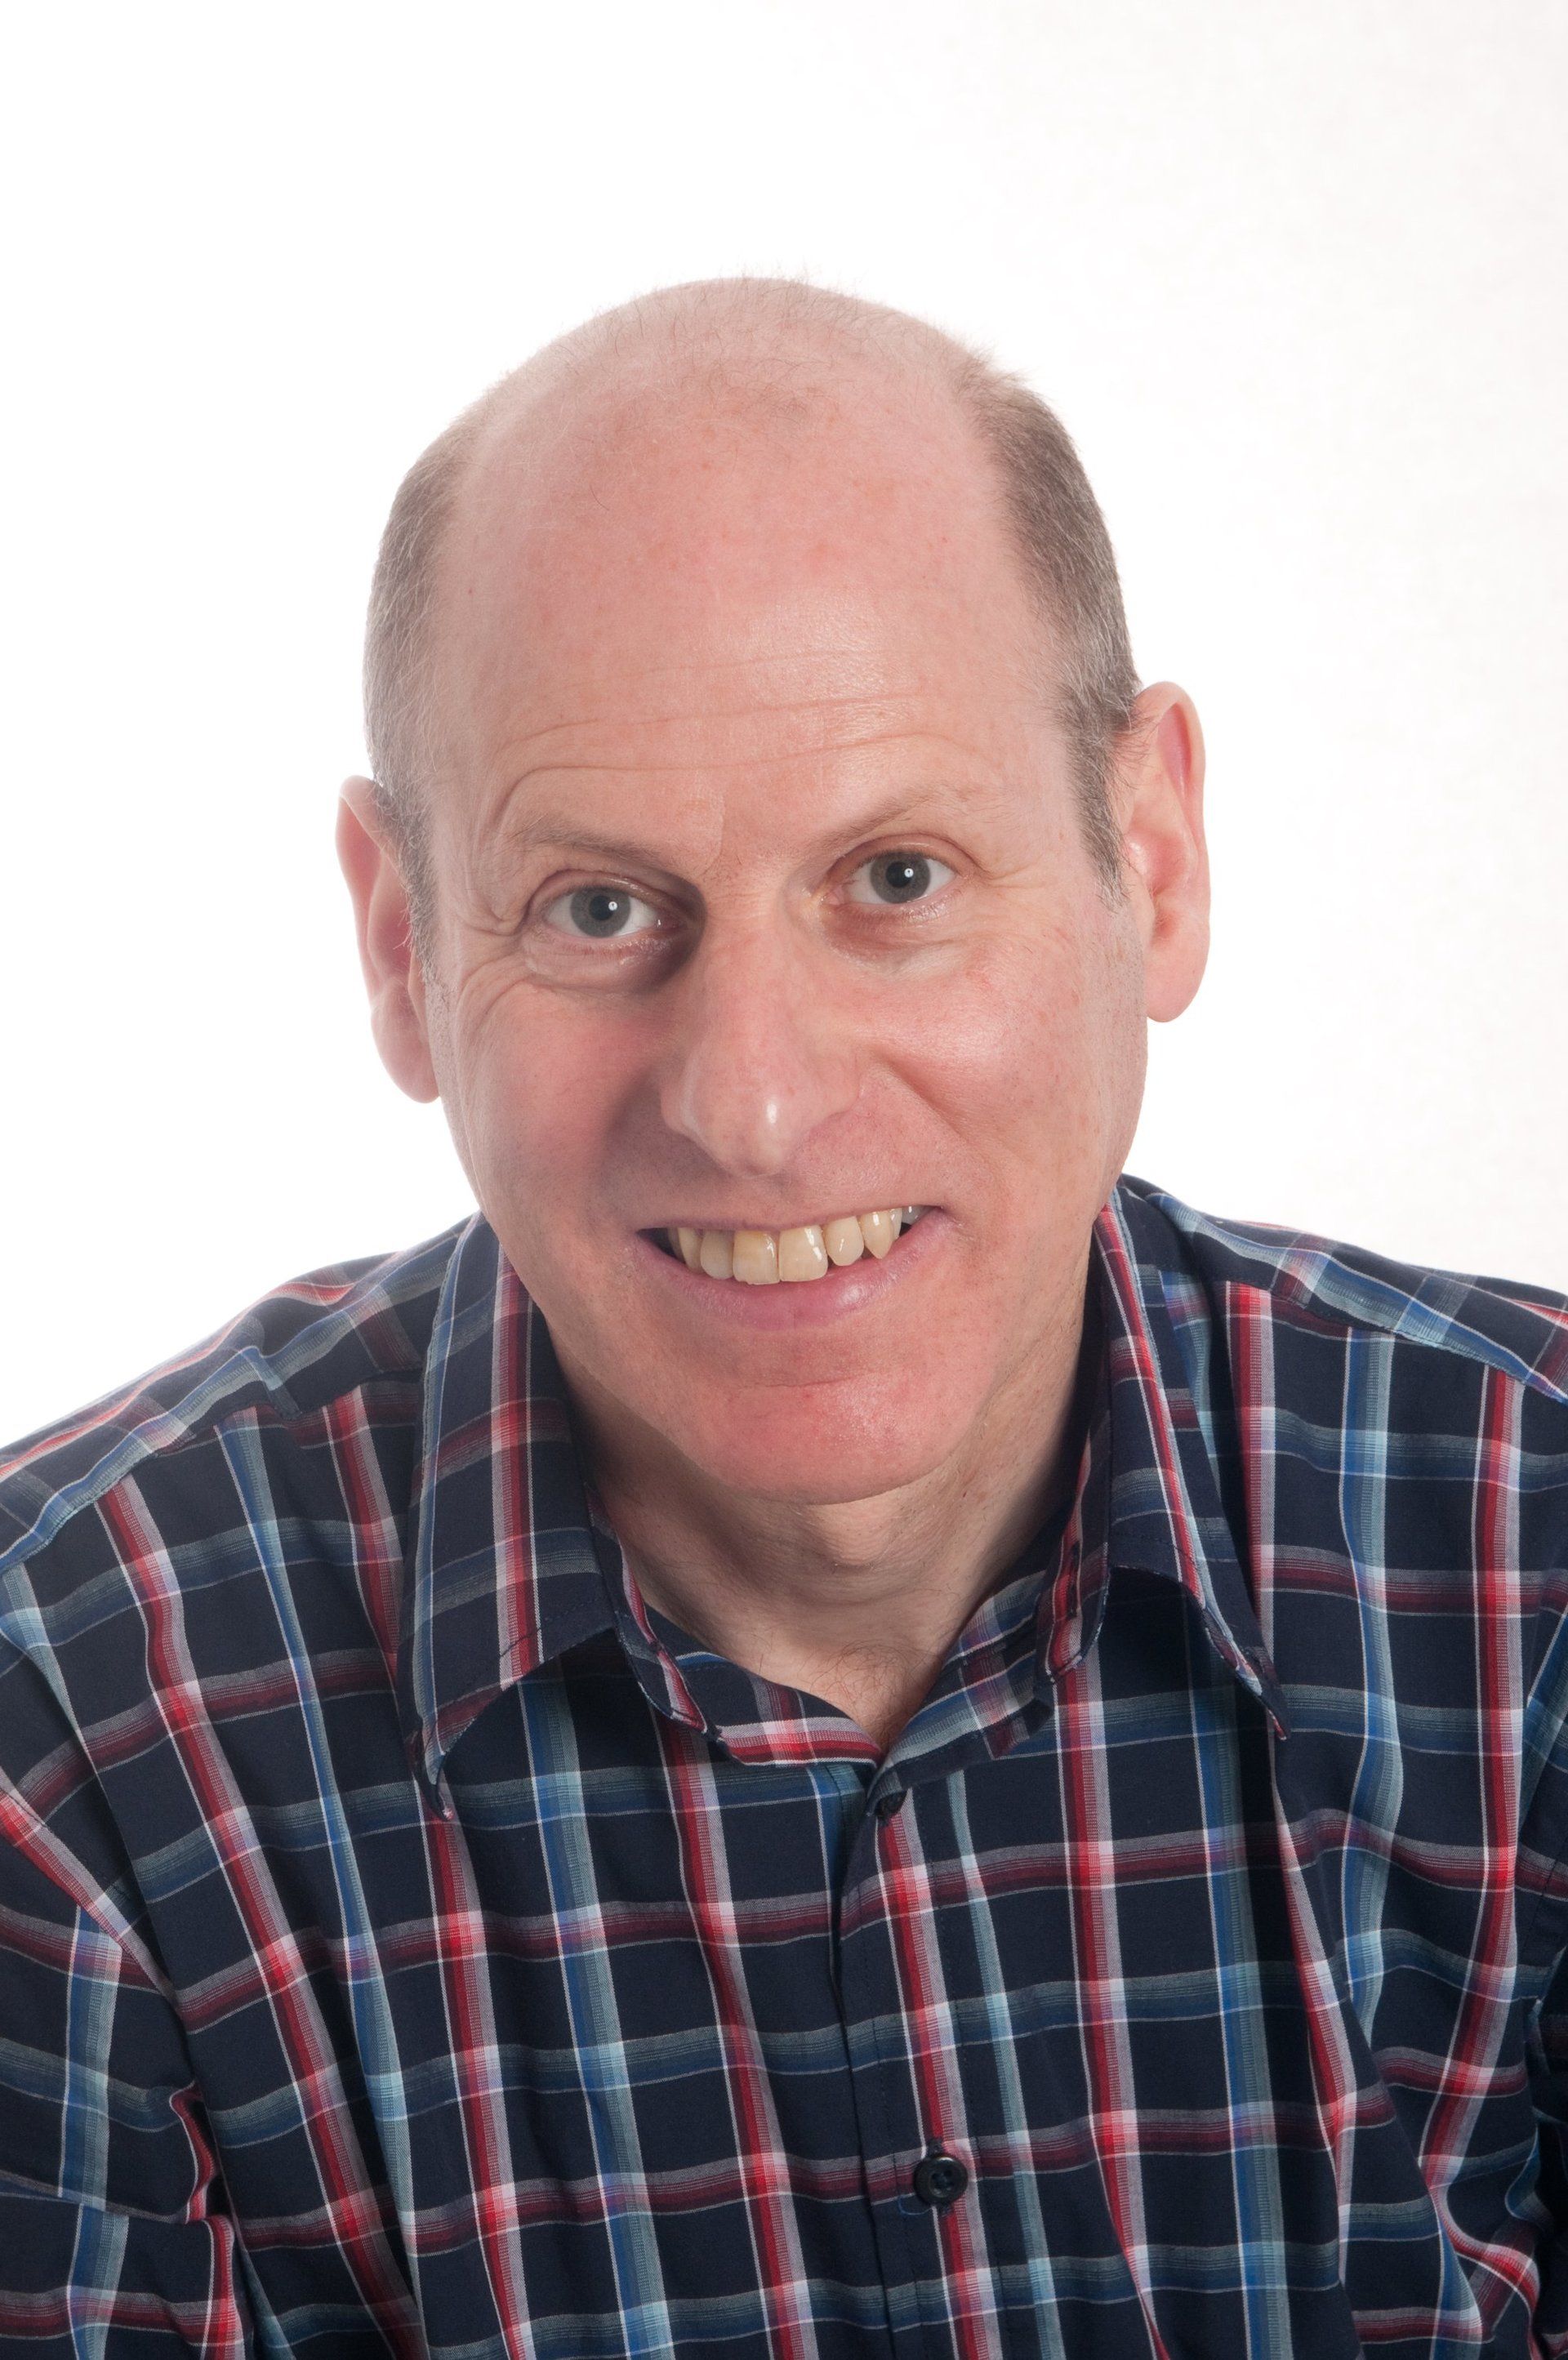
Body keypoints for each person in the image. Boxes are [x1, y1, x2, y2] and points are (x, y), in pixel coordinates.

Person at [2, 277, 1566, 2360]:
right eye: (600, 907)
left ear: (1153, 855)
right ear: (400, 948)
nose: (751, 1100)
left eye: (897, 878)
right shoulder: (64, 1742)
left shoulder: (1535, 1548)